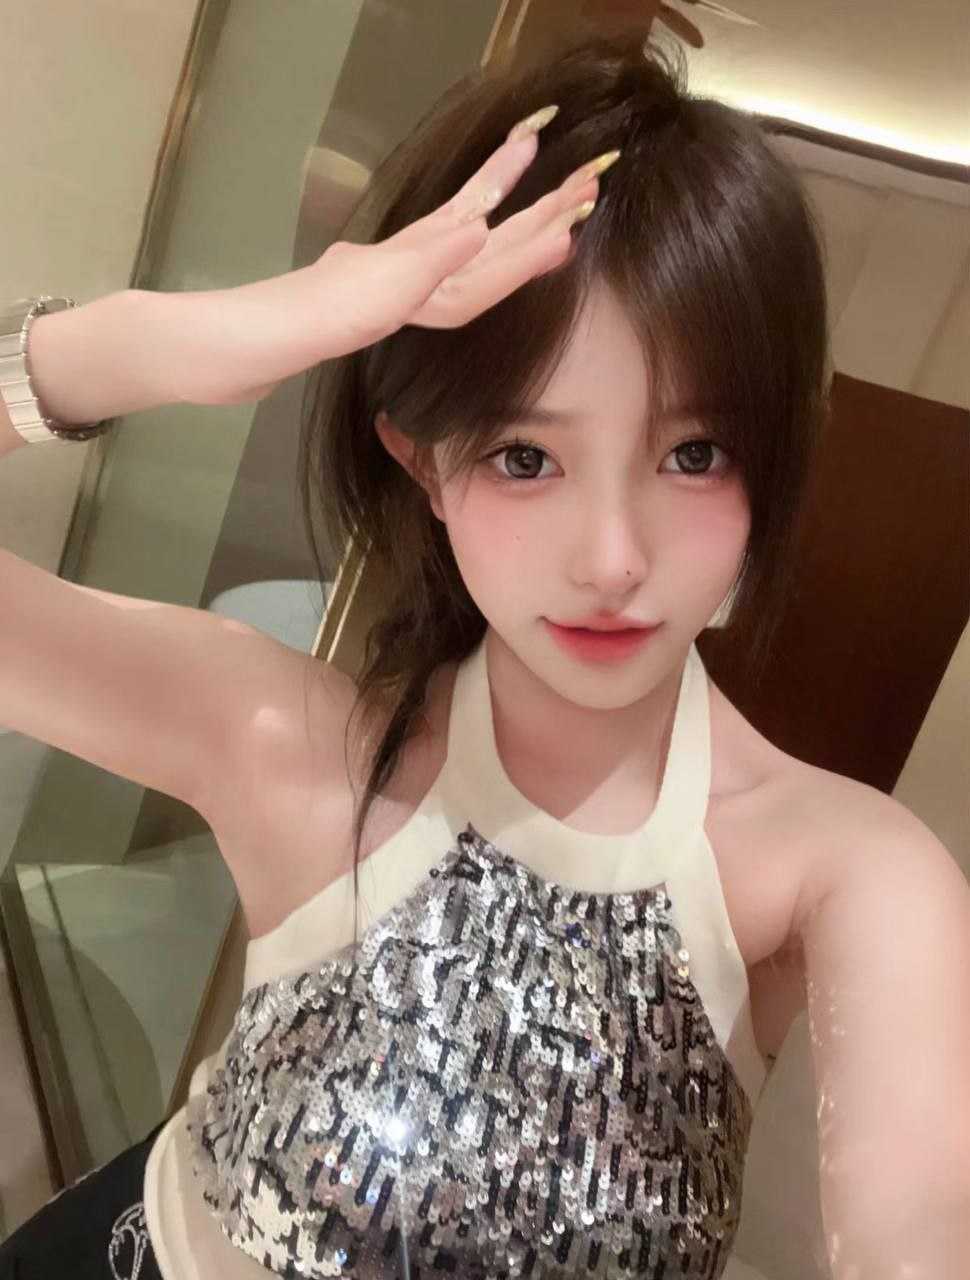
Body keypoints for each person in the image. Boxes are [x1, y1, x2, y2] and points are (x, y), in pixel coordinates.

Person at [2, 23, 968, 1280]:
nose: (612, 557)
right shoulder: (291, 747)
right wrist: (217, 334)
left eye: (691, 454)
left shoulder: (834, 871)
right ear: (425, 466)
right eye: (525, 456)